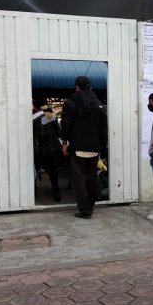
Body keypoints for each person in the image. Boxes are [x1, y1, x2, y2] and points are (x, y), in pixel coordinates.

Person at [60, 76, 108, 219]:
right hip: (94, 148)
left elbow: (66, 123)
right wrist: (102, 149)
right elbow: (103, 128)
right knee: (91, 178)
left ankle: (84, 210)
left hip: (78, 147)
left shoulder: (71, 102)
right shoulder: (98, 104)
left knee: (79, 179)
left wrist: (64, 143)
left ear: (77, 87)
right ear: (90, 87)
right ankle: (90, 206)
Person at [32, 100, 62, 202]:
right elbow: (59, 133)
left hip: (37, 149)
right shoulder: (51, 117)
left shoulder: (31, 118)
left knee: (34, 170)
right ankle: (56, 191)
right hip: (50, 149)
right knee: (52, 171)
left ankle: (33, 191)